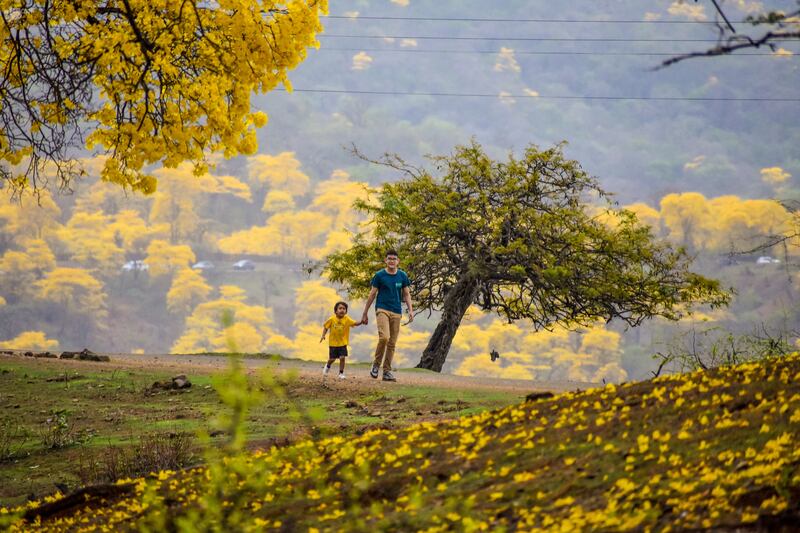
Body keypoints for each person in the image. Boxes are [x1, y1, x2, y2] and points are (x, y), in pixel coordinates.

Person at [361, 249, 414, 382]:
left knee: (392, 343)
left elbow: (406, 294)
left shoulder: (402, 276)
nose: (391, 261)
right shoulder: (379, 275)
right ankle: (376, 365)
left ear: (398, 261)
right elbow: (372, 294)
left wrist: (411, 310)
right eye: (389, 258)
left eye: (394, 259)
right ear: (385, 260)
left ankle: (386, 372)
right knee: (384, 337)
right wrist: (365, 312)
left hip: (396, 311)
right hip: (382, 309)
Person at [320, 301, 364, 379]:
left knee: (342, 357)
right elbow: (326, 327)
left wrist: (362, 321)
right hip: (333, 343)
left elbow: (355, 323)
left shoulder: (347, 319)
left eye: (344, 309)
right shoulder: (332, 319)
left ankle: (341, 373)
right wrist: (323, 335)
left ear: (346, 311)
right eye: (340, 308)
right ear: (336, 311)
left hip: (343, 343)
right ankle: (327, 366)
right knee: (332, 359)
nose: (342, 310)